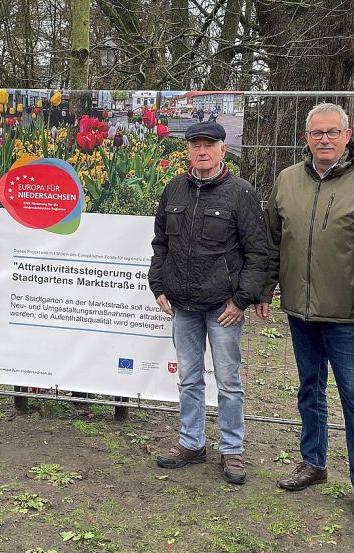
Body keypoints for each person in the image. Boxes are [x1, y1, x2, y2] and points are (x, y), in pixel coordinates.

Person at [257, 103, 354, 519]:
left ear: (348, 136)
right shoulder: (288, 180)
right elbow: (273, 241)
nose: (325, 140)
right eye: (317, 133)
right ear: (307, 138)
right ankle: (312, 463)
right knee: (309, 390)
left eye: (333, 132)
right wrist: (266, 289)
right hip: (300, 311)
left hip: (347, 315)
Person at [148, 121, 267, 485]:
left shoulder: (240, 193)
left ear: (222, 149)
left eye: (209, 145)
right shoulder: (174, 189)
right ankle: (191, 442)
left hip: (223, 308)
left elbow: (257, 252)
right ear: (187, 151)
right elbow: (160, 244)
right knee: (189, 378)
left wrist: (241, 300)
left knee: (229, 382)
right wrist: (158, 285)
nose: (202, 151)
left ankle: (232, 449)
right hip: (183, 305)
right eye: (195, 145)